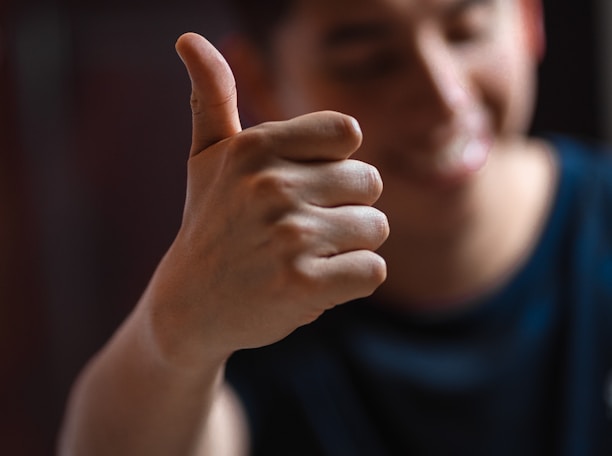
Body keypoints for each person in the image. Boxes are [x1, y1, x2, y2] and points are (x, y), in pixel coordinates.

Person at [59, 0, 612, 454]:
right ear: (261, 77)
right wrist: (177, 335)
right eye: (370, 61)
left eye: (466, 31)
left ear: (528, 18)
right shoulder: (248, 297)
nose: (444, 97)